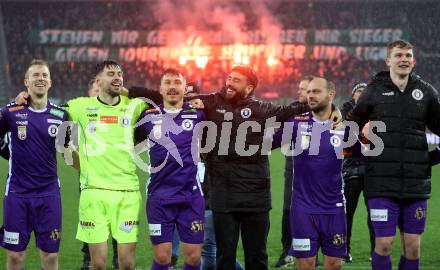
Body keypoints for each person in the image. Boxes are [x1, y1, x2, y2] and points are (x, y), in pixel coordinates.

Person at [127, 65, 341, 270]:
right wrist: (130, 91)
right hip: (223, 195)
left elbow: (293, 109)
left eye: (236, 80)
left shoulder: (261, 109)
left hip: (255, 197)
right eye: (228, 78)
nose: (229, 83)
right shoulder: (210, 103)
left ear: (249, 88)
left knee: (257, 256)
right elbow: (170, 98)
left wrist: (335, 109)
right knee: (224, 256)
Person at [348, 40, 440, 270]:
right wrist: (365, 154)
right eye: (398, 55)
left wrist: (431, 158)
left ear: (414, 61)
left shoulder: (426, 92)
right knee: (385, 245)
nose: (404, 59)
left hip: (416, 184)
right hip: (381, 185)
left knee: (413, 247)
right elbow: (351, 126)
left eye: (408, 55)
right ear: (388, 60)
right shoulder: (374, 91)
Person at [62, 60, 147, 270]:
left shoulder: (134, 105)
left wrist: (128, 91)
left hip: (127, 193)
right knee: (98, 264)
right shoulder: (80, 106)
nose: (117, 76)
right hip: (94, 193)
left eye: (120, 73)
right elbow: (49, 113)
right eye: (111, 73)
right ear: (98, 81)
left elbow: (159, 101)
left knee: (127, 264)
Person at [0, 59, 68, 270]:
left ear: (50, 82)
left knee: (49, 257)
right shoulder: (9, 113)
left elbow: (68, 150)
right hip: (17, 195)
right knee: (15, 257)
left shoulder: (61, 115)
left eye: (44, 75)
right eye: (36, 75)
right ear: (26, 82)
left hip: (49, 196)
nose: (41, 79)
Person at [135, 68, 205, 270]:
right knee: (163, 258)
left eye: (177, 82)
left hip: (190, 196)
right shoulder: (147, 116)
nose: (172, 87)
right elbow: (130, 142)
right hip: (159, 196)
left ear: (185, 88)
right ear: (160, 88)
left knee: (193, 258)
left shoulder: (199, 114)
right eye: (167, 82)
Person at [274, 77, 347, 270]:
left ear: (330, 95)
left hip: (334, 209)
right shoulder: (296, 123)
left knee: (333, 264)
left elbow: (364, 150)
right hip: (302, 210)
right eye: (309, 92)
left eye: (316, 91)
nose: (310, 95)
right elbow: (266, 141)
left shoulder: (342, 126)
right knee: (305, 264)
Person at [80, 77, 119, 270]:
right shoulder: (79, 113)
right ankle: (88, 259)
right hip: (91, 183)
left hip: (118, 181)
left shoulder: (120, 113)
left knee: (119, 228)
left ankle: (118, 260)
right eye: (95, 92)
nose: (99, 95)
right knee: (92, 226)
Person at [275, 75, 313, 268]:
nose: (299, 92)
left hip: (318, 172)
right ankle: (287, 250)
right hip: (295, 168)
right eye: (299, 88)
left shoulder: (326, 112)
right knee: (289, 208)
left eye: (303, 89)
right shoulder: (292, 111)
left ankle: (312, 250)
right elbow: (279, 137)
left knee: (316, 210)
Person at [339, 81, 375, 263]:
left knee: (374, 213)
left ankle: (376, 251)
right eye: (359, 90)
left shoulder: (376, 111)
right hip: (351, 168)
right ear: (353, 94)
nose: (362, 93)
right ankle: (344, 250)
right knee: (347, 214)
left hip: (372, 169)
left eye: (364, 91)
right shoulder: (345, 112)